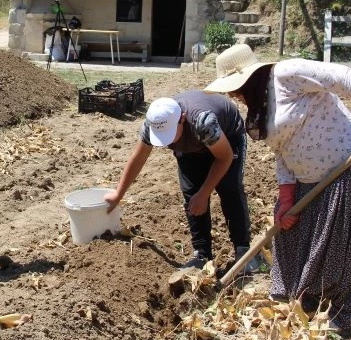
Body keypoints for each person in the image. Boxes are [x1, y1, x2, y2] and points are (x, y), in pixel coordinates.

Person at [204, 43, 351, 333]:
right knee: (289, 237)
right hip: (308, 180)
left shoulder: (288, 74)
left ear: (250, 77)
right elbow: (282, 154)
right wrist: (286, 199)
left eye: (235, 87)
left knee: (340, 246)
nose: (232, 95)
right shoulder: (258, 112)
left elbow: (342, 75)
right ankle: (300, 301)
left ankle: (341, 314)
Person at [104, 91, 259, 272]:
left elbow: (224, 158)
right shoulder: (152, 123)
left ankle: (243, 250)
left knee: (229, 188)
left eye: (169, 134)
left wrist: (205, 193)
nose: (165, 142)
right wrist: (118, 193)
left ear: (182, 118)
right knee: (191, 194)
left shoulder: (203, 122)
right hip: (191, 147)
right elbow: (138, 158)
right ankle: (202, 255)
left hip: (227, 136)